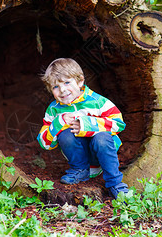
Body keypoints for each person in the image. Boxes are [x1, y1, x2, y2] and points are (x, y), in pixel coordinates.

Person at [37, 58, 129, 199]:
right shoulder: (54, 110)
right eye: (55, 87)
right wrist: (58, 123)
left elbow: (119, 123)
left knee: (102, 138)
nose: (62, 90)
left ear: (80, 81)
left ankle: (115, 183)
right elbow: (45, 144)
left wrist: (87, 125)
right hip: (79, 160)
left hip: (100, 155)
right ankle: (80, 170)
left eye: (67, 82)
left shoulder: (98, 102)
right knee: (66, 135)